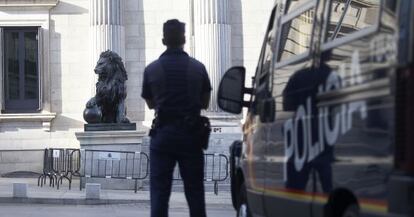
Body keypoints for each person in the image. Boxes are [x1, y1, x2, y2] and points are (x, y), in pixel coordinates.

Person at [141, 19, 212, 217]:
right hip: (191, 135)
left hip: (163, 134)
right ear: (183, 39)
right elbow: (205, 103)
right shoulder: (198, 68)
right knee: (195, 193)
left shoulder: (152, 69)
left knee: (159, 195)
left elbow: (151, 103)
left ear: (164, 40)